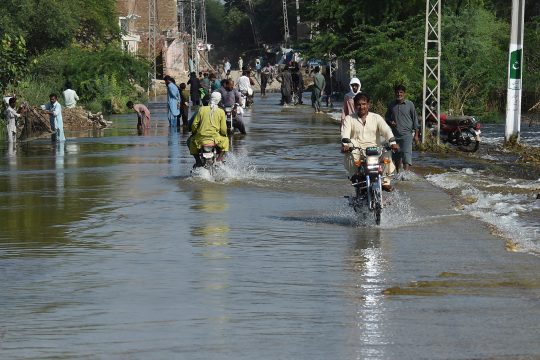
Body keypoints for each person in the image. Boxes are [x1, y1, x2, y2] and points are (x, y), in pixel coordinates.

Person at [341, 92, 399, 192]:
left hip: (374, 151)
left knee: (387, 151)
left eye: (364, 104)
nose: (361, 107)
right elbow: (345, 134)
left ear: (368, 105)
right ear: (355, 106)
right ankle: (355, 176)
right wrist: (345, 145)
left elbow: (386, 131)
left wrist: (392, 142)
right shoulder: (349, 119)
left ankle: (385, 181)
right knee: (351, 146)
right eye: (358, 104)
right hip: (357, 151)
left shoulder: (376, 118)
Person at [384, 84, 419, 173]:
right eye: (397, 92)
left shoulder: (410, 104)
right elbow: (386, 118)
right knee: (396, 156)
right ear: (395, 93)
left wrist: (416, 135)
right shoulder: (391, 105)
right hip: (394, 135)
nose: (399, 94)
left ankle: (406, 175)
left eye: (401, 92)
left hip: (407, 135)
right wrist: (390, 122)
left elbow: (415, 119)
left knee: (406, 154)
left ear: (404, 93)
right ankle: (398, 173)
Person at [189, 92, 229, 167]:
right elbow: (223, 129)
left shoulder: (201, 109)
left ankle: (198, 161)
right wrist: (224, 135)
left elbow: (194, 124)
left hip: (200, 138)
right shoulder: (221, 111)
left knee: (190, 142)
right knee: (226, 142)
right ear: (219, 100)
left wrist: (194, 132)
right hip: (215, 139)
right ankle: (219, 160)